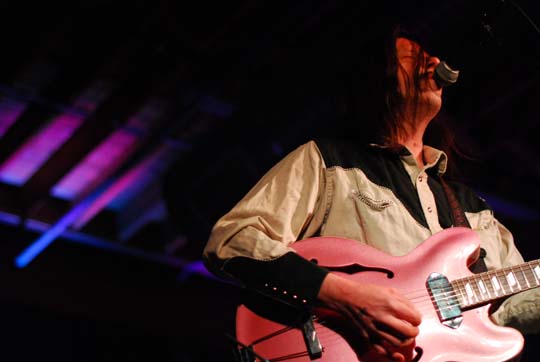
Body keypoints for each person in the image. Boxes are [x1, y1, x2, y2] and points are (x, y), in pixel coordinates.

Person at [203, 26, 540, 360]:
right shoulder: (329, 163)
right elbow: (233, 239)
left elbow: (515, 302)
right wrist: (347, 298)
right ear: (377, 80)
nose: (433, 62)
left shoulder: (473, 209)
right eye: (414, 59)